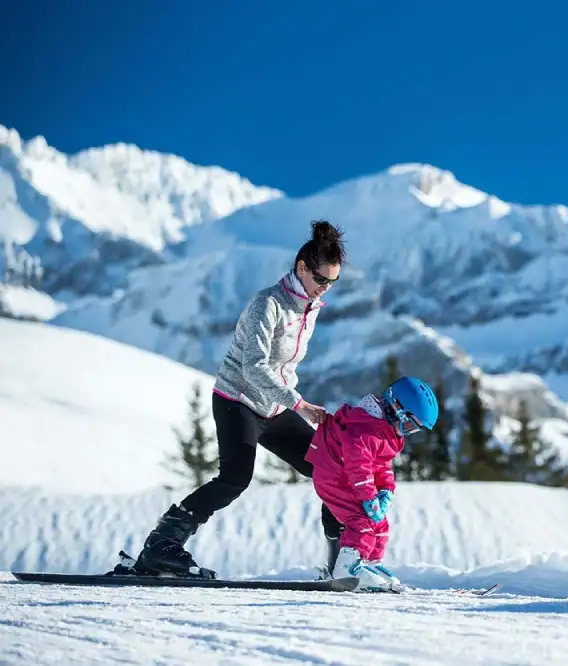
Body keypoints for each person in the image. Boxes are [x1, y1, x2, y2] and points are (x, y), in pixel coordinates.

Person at [134, 220, 348, 578]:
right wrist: (300, 404)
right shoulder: (269, 304)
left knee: (330, 470)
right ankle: (162, 546)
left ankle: (339, 561)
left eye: (332, 282)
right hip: (237, 400)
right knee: (235, 479)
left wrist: (289, 403)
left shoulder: (308, 308)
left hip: (274, 406)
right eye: (321, 280)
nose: (325, 289)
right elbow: (253, 367)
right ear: (301, 268)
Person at [306, 375, 439, 591]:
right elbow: (358, 468)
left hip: (347, 479)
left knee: (380, 524)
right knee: (362, 522)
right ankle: (347, 569)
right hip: (334, 478)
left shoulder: (386, 432)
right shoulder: (364, 430)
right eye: (409, 425)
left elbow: (382, 466)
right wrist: (368, 498)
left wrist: (386, 490)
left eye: (413, 429)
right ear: (396, 408)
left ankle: (368, 564)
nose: (408, 431)